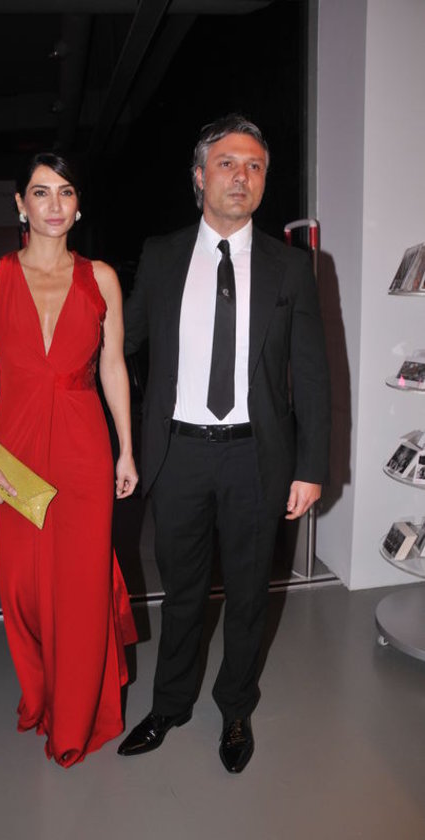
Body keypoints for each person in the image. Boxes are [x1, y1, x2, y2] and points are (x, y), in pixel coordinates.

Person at [119, 114, 330, 773]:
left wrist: (311, 466)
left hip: (255, 458)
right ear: (199, 176)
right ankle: (170, 705)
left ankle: (236, 708)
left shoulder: (291, 268)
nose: (242, 176)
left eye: (255, 166)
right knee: (181, 592)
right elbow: (121, 344)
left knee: (247, 593)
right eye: (228, 163)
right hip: (178, 454)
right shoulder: (161, 255)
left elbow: (313, 373)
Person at [0, 152, 138, 768]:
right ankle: (40, 692)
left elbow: (113, 367)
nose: (55, 205)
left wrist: (126, 449)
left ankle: (77, 717)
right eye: (41, 193)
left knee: (82, 585)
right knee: (24, 588)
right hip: (12, 449)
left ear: (79, 203)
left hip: (84, 446)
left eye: (66, 192)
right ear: (21, 203)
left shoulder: (101, 278)